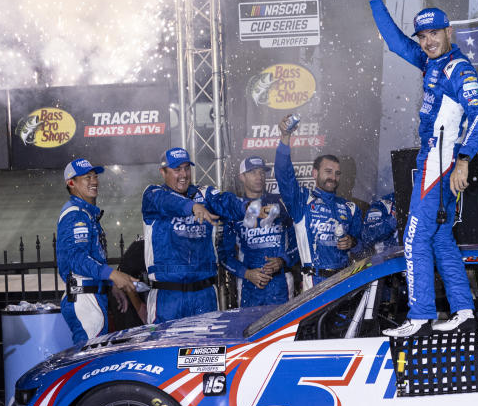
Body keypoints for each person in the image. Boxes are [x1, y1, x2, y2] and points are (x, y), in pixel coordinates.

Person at [360, 0, 478, 336]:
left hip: (441, 163)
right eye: (424, 35)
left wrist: (464, 158)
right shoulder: (432, 62)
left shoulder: (457, 68)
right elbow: (396, 43)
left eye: (435, 33)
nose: (428, 41)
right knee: (440, 237)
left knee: (415, 237)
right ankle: (464, 311)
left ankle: (420, 318)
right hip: (434, 162)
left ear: (449, 32)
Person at [142, 148, 268, 324]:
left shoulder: (204, 194)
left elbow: (226, 201)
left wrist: (249, 208)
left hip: (204, 294)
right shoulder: (153, 194)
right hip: (168, 297)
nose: (184, 174)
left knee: (205, 349)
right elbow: (167, 201)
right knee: (166, 349)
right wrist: (192, 207)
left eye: (187, 168)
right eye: (177, 169)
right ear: (163, 172)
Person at [56, 157, 136, 344]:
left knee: (92, 359)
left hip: (90, 295)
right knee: (89, 364)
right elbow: (76, 258)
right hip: (85, 298)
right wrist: (112, 274)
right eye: (86, 177)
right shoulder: (76, 213)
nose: (94, 181)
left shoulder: (85, 213)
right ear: (71, 183)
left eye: (94, 176)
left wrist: (110, 285)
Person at [274, 125, 363, 287]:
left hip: (343, 282)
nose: (333, 178)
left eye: (337, 173)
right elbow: (284, 175)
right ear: (315, 173)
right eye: (328, 171)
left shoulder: (350, 207)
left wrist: (353, 242)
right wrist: (285, 138)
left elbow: (363, 249)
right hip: (314, 282)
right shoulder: (302, 201)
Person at [218, 156, 298, 307]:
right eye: (253, 172)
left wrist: (283, 260)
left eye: (262, 172)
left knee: (283, 329)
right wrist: (246, 273)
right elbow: (224, 256)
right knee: (250, 329)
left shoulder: (280, 204)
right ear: (242, 177)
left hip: (281, 284)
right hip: (249, 286)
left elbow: (298, 242)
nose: (259, 177)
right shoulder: (234, 210)